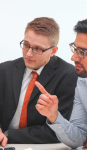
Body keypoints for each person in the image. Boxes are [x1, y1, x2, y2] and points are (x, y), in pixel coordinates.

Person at [0, 17, 77, 149]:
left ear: (53, 51)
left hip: (44, 147)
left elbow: (60, 130)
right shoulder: (5, 69)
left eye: (37, 49)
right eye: (26, 45)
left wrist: (8, 134)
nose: (28, 54)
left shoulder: (69, 75)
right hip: (3, 146)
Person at [35, 19, 87, 149]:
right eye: (75, 49)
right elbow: (78, 139)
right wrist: (54, 116)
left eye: (82, 52)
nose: (74, 57)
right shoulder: (82, 82)